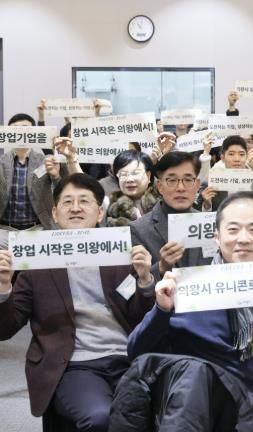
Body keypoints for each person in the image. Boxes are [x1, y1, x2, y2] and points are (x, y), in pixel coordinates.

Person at [125, 192, 253, 428]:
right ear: (217, 238)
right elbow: (136, 352)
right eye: (233, 230)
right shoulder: (186, 288)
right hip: (197, 409)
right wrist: (161, 310)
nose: (243, 239)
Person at [0, 173, 155, 430]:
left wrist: (145, 279)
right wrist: (4, 286)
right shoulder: (36, 262)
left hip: (126, 358)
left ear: (99, 212)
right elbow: (5, 328)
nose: (75, 208)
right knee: (100, 417)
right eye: (67, 202)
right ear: (54, 213)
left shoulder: (118, 253)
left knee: (159, 413)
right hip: (73, 364)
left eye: (84, 201)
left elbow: (141, 317)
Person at [0, 114, 81, 248]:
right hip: (4, 231)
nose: (21, 133)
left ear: (35, 133)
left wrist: (55, 176)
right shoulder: (1, 161)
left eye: (26, 129)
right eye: (15, 129)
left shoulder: (47, 160)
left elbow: (66, 192)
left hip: (39, 229)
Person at [130, 151, 212, 281]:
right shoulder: (138, 229)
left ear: (197, 185)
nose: (180, 188)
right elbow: (132, 285)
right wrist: (161, 267)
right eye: (172, 180)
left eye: (188, 180)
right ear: (160, 186)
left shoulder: (210, 224)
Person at [106, 151, 158, 226]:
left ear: (148, 175)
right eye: (123, 174)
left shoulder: (164, 202)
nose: (129, 179)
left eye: (135, 173)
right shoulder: (111, 207)